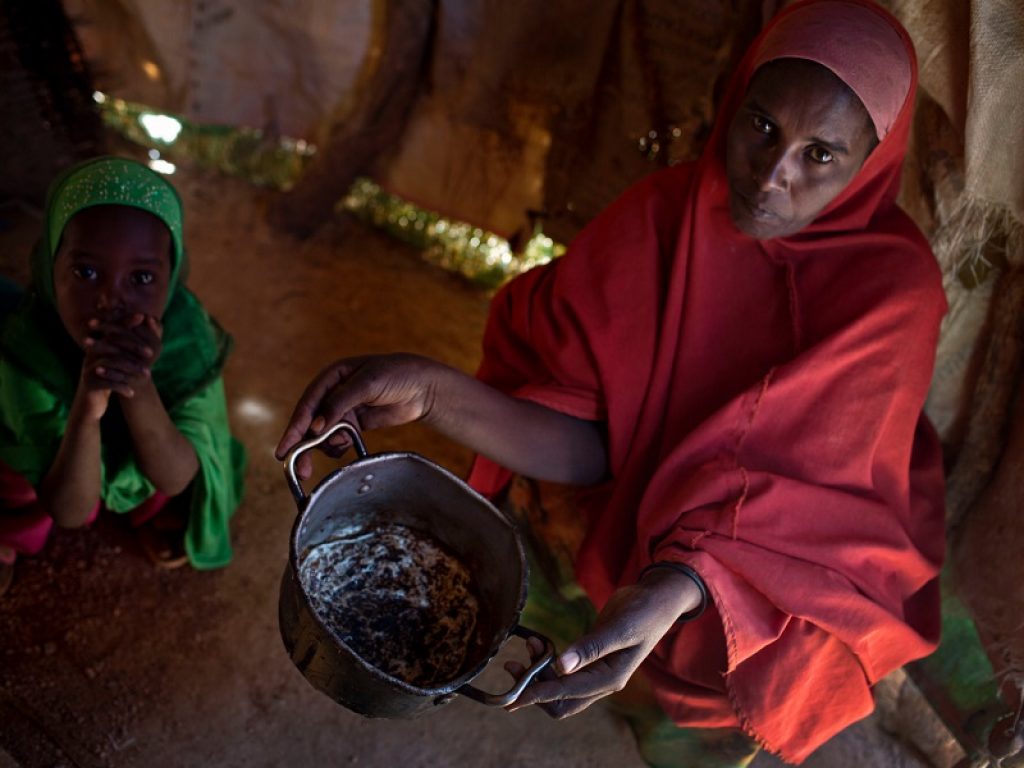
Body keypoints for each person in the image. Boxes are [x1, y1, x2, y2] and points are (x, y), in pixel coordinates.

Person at [275, 0, 946, 764]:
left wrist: (682, 583)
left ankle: (675, 711)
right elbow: (591, 445)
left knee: (783, 643)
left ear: (872, 160)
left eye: (820, 154)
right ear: (733, 100)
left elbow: (814, 513)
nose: (771, 175)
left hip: (780, 568)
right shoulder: (661, 217)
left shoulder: (892, 297)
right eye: (761, 125)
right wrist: (434, 391)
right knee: (538, 526)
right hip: (656, 515)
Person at [0, 156, 247, 593]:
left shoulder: (187, 339)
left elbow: (175, 476)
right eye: (86, 272)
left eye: (142, 277)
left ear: (171, 280)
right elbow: (70, 511)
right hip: (57, 466)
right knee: (16, 473)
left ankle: (146, 510)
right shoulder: (27, 350)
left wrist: (140, 387)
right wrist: (87, 409)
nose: (109, 300)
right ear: (49, 266)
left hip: (152, 443)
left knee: (171, 456)